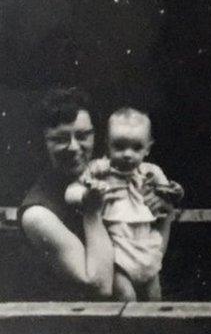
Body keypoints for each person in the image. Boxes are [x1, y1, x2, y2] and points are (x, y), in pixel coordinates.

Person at [65, 108, 183, 301]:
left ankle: (155, 329)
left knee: (155, 298)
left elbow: (168, 195)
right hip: (116, 252)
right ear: (107, 144)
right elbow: (71, 192)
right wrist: (87, 195)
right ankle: (129, 330)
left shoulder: (150, 172)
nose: (128, 154)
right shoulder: (98, 169)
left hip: (146, 249)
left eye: (136, 148)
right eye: (119, 146)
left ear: (148, 148)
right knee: (126, 296)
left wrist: (175, 192)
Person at [16, 87, 114, 299]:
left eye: (82, 136)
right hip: (74, 327)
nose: (73, 147)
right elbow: (100, 287)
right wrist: (92, 213)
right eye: (60, 139)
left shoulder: (105, 177)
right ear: (44, 143)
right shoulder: (37, 214)